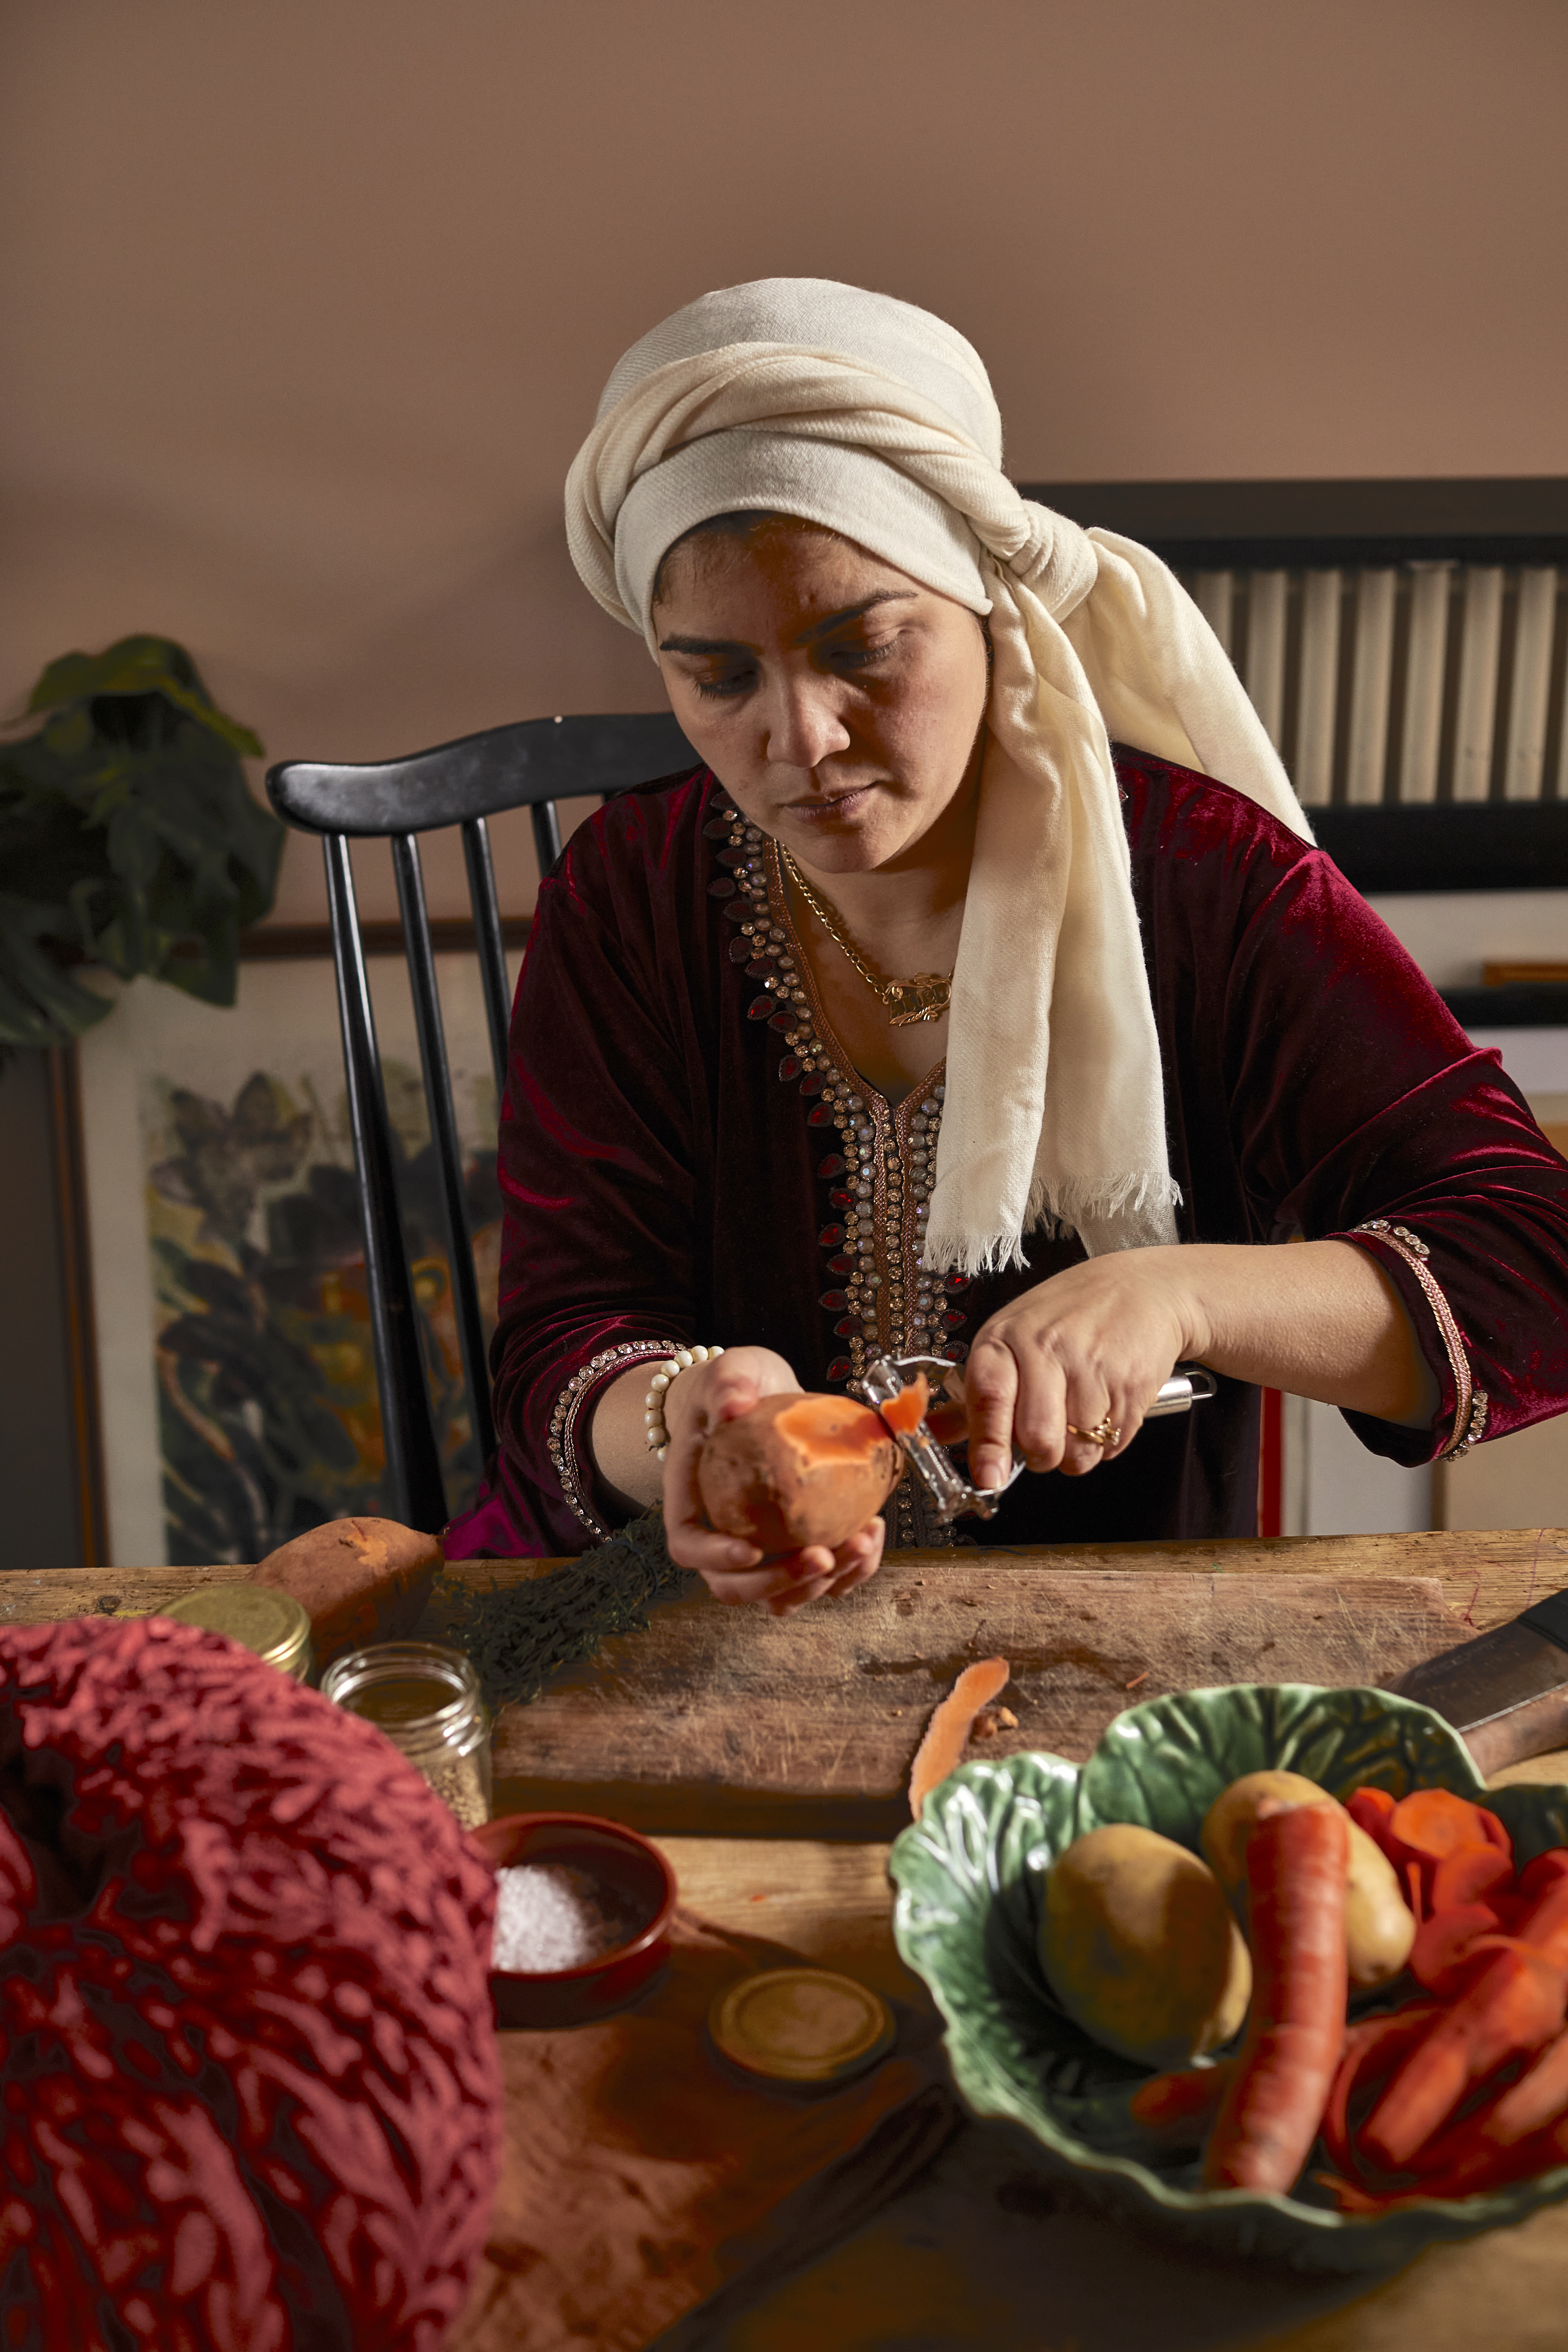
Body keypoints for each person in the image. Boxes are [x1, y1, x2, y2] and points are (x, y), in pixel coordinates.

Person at [444, 279, 1568, 1613]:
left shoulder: (1204, 883)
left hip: (1108, 1636)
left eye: (861, 646)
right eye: (720, 677)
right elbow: (565, 1345)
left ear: (985, 598)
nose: (798, 740)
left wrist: (1181, 1295)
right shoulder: (626, 899)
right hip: (697, 1633)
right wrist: (680, 1421)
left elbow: (1532, 1263)